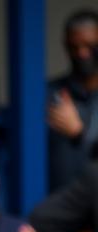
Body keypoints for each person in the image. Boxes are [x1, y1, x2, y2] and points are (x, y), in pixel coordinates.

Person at [47, 9, 98, 192]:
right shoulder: (50, 94)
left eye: (90, 46)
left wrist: (79, 134)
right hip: (56, 209)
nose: (82, 54)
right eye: (74, 47)